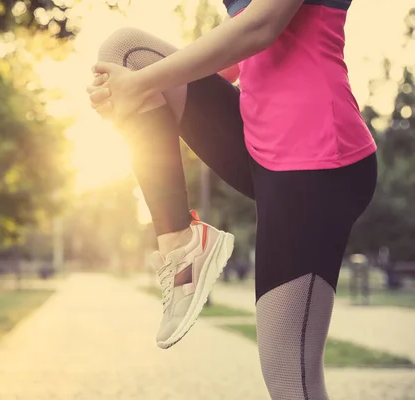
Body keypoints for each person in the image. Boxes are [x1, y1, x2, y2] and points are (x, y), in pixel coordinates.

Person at [86, 0, 377, 398]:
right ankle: (182, 244)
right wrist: (131, 94)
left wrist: (142, 86)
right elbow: (241, 52)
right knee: (126, 54)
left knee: (289, 376)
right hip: (258, 140)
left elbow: (261, 27)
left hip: (315, 156)